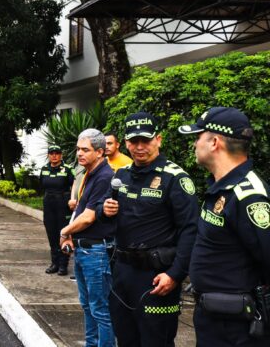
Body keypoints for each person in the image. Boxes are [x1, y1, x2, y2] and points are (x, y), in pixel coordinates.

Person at [100, 113, 199, 347]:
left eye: (146, 140)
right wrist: (106, 211)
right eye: (134, 141)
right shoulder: (121, 175)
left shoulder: (175, 178)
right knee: (125, 339)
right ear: (126, 143)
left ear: (159, 140)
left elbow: (190, 231)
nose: (140, 147)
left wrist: (175, 274)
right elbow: (107, 223)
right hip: (122, 274)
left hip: (156, 277)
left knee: (156, 341)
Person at [178, 107, 270, 347]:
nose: (194, 144)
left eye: (198, 137)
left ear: (215, 142)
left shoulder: (248, 195)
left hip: (237, 325)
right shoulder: (222, 188)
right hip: (215, 318)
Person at [59, 129, 115, 347]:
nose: (79, 154)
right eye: (78, 149)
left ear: (100, 152)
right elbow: (80, 211)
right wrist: (71, 234)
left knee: (100, 310)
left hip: (97, 253)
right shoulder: (89, 173)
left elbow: (89, 217)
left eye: (85, 150)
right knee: (87, 306)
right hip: (84, 250)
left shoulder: (105, 176)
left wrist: (65, 231)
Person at [39, 145, 74, 276]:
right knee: (51, 234)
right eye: (51, 153)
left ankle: (63, 265)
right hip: (49, 204)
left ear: (61, 155)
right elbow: (42, 184)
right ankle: (55, 263)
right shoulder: (44, 169)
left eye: (57, 153)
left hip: (63, 205)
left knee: (63, 234)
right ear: (48, 155)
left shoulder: (68, 169)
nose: (54, 156)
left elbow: (74, 187)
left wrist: (72, 201)